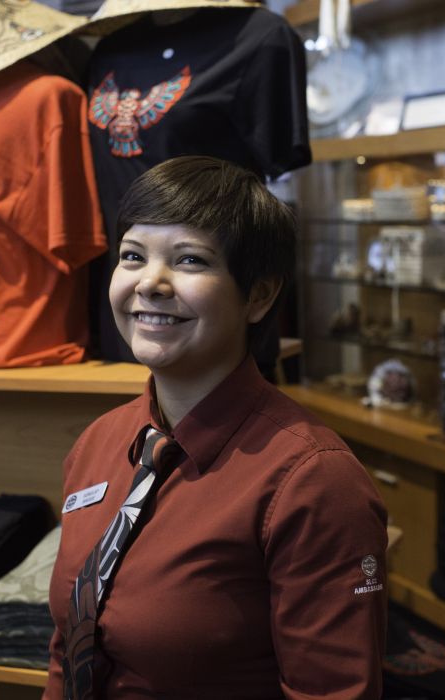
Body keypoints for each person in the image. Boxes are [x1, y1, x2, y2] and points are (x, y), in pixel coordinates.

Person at [45, 156, 388, 699]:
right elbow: (68, 645)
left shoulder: (313, 482)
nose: (151, 283)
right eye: (133, 256)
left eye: (189, 260)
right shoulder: (100, 442)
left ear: (259, 295)